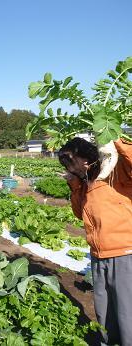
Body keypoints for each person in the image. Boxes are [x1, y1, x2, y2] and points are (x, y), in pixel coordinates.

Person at [58, 137, 132, 345]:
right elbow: (79, 214)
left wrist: (114, 138)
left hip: (125, 252)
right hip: (99, 255)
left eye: (71, 162)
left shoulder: (116, 170)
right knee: (104, 308)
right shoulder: (86, 181)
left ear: (84, 156)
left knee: (128, 311)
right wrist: (74, 184)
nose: (70, 168)